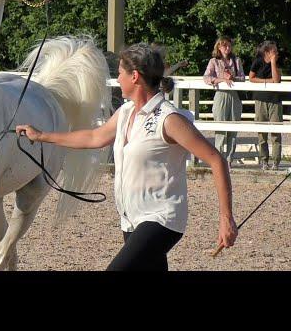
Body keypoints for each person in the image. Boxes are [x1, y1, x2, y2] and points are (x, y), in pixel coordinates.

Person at [16, 43, 238, 271]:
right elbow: (94, 137)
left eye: (120, 73)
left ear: (135, 76)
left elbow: (216, 160)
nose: (118, 79)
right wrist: (42, 136)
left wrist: (225, 218)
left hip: (161, 219)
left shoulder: (169, 119)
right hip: (131, 219)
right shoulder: (125, 112)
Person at [203, 36, 245, 167]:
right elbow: (206, 77)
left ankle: (229, 160)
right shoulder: (214, 61)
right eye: (224, 45)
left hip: (234, 96)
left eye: (228, 45)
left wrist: (233, 77)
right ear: (219, 47)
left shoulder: (236, 61)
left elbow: (243, 78)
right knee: (220, 128)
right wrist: (222, 78)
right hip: (220, 95)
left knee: (233, 128)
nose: (227, 48)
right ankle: (219, 160)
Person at [249, 40, 283, 170]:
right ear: (267, 52)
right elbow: (251, 77)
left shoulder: (277, 62)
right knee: (262, 132)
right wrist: (264, 82)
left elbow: (276, 80)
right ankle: (264, 160)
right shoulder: (257, 62)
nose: (277, 52)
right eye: (274, 51)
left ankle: (276, 161)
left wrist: (273, 62)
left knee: (276, 132)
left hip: (275, 100)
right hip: (260, 99)